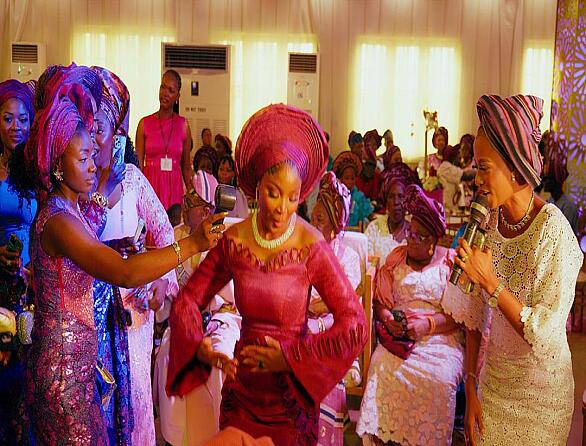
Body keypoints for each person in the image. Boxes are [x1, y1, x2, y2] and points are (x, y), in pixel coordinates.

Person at [10, 83, 224, 444]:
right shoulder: (59, 220)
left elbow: (85, 259)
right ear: (58, 165)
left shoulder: (72, 211)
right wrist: (192, 244)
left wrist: (116, 246)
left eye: (93, 155)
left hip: (78, 363)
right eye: (83, 158)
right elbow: (124, 273)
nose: (93, 165)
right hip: (63, 372)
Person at [167, 104, 367, 446]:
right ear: (257, 186)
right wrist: (198, 344)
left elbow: (355, 324)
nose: (282, 209)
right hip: (242, 392)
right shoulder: (235, 240)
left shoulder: (310, 246)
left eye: (293, 198)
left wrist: (291, 358)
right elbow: (189, 299)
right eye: (274, 193)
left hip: (289, 399)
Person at [442, 94, 583, 445]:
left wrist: (491, 283)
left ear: (516, 168)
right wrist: (470, 385)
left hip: (542, 398)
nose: (476, 178)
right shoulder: (488, 222)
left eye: (484, 167)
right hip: (494, 385)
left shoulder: (553, 231)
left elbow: (546, 335)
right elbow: (474, 316)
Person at [92, 66, 180, 445]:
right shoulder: (75, 180)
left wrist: (162, 281)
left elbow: (164, 232)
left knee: (137, 397)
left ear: (117, 132)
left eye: (101, 127)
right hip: (89, 309)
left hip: (134, 310)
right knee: (97, 400)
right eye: (88, 126)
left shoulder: (132, 179)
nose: (93, 136)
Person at [357, 184, 463, 446]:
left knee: (440, 378)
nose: (411, 240)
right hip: (400, 338)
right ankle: (384, 438)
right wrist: (387, 318)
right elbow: (380, 302)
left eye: (419, 236)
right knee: (380, 366)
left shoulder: (449, 262)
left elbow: (459, 315)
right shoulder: (396, 258)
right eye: (410, 233)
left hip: (439, 339)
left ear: (433, 241)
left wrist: (428, 325)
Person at [155, 170, 242, 446]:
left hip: (220, 318)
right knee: (168, 354)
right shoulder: (173, 235)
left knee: (219, 357)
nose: (184, 208)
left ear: (206, 211)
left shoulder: (223, 238)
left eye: (190, 204)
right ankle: (177, 439)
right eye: (186, 201)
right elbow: (164, 286)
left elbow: (230, 299)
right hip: (182, 319)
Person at [308, 171, 361, 445]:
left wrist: (315, 313)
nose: (313, 225)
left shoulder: (348, 258)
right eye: (312, 218)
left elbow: (339, 305)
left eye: (320, 220)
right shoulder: (304, 249)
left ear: (335, 225)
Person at [0, 79, 36, 445]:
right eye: (8, 119)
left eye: (23, 119)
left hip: (33, 288)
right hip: (0, 286)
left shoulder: (39, 171)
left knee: (29, 378)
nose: (16, 127)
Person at [136, 69, 193, 210]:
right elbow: (138, 167)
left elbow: (186, 168)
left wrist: (193, 195)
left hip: (174, 190)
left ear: (177, 96)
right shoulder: (144, 124)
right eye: (163, 87)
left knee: (173, 223)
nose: (165, 93)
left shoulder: (183, 125)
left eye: (171, 90)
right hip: (150, 189)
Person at [365, 163, 419, 264]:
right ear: (386, 201)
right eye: (391, 197)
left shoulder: (413, 233)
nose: (396, 202)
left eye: (400, 196)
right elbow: (367, 264)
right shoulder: (374, 229)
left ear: (406, 201)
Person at [542, 133, 578, 233]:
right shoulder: (551, 200)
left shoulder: (568, 207)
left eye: (547, 179)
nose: (544, 182)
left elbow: (561, 233)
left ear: (556, 182)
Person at [332, 151, 373, 228]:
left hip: (355, 232)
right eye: (347, 178)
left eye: (352, 178)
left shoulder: (359, 197)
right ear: (340, 179)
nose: (350, 182)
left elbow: (368, 215)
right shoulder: (335, 196)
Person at [437, 145, 476, 214]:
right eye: (458, 157)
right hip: (448, 206)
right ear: (452, 156)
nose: (460, 159)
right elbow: (465, 175)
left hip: (451, 204)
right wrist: (480, 171)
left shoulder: (447, 166)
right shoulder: (446, 166)